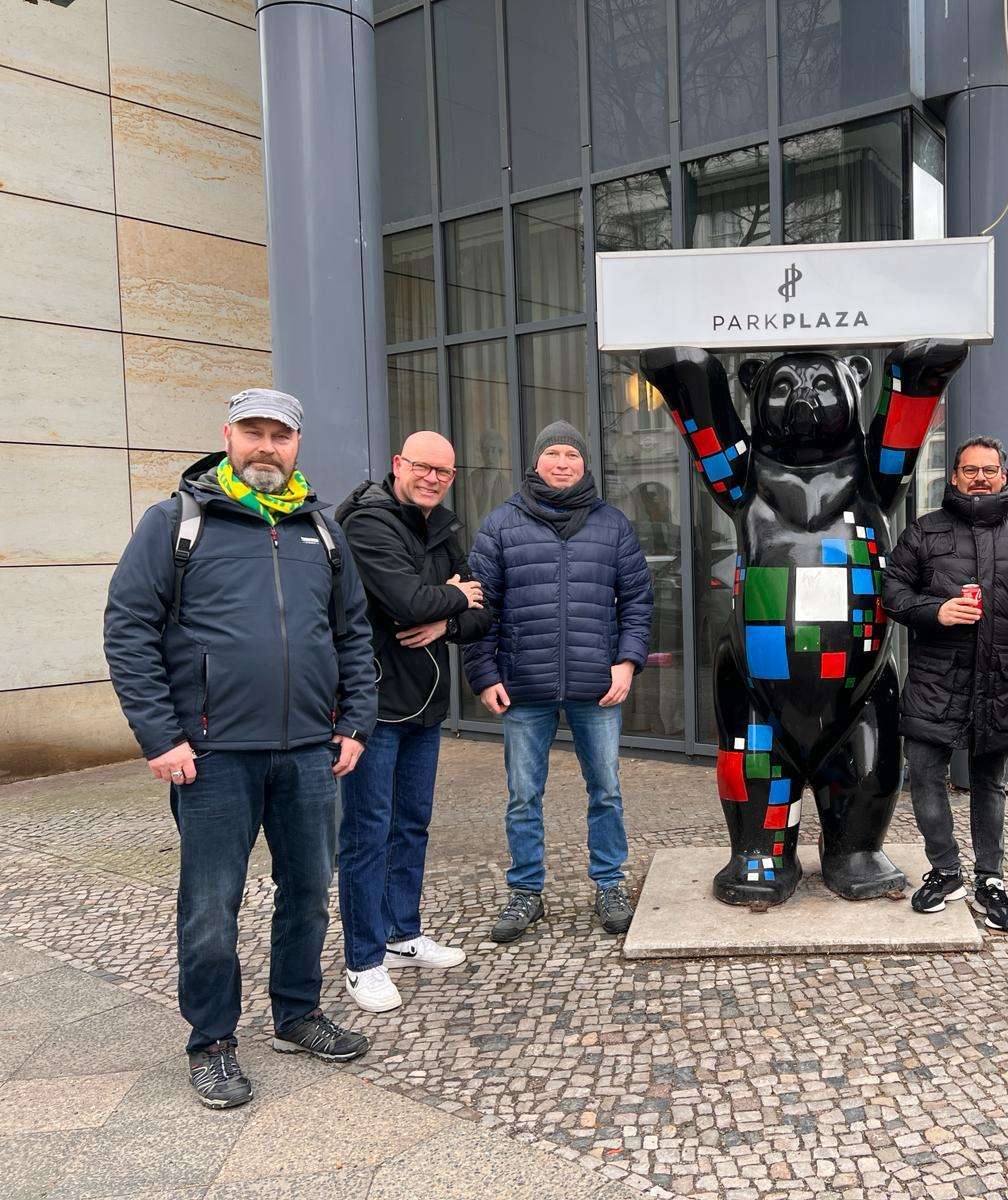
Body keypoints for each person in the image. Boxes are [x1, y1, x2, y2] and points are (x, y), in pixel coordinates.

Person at [103, 388, 377, 1110]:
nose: (266, 446)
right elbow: (128, 628)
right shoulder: (176, 522)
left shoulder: (321, 529)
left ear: (296, 445)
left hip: (309, 752)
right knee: (210, 905)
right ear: (228, 436)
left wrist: (355, 723)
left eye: (279, 435)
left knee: (309, 893)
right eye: (252, 432)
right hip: (212, 755)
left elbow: (352, 632)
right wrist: (161, 736)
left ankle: (296, 1014)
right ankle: (212, 1041)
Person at [464, 421, 653, 941]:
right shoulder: (501, 524)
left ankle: (609, 884)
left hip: (597, 686)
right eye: (553, 454)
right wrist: (484, 674)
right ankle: (526, 891)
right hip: (523, 686)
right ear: (536, 462)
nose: (563, 463)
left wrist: (627, 661)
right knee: (523, 795)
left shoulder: (612, 524)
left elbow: (638, 600)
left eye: (572, 454)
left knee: (606, 790)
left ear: (584, 464)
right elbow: (480, 607)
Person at [882, 436, 1008, 931]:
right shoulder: (924, 531)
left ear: (1004, 476)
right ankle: (946, 872)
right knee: (926, 775)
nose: (980, 478)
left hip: (1003, 680)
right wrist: (935, 610)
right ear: (954, 477)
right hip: (935, 680)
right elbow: (892, 592)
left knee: (989, 783)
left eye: (989, 470)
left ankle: (991, 878)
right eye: (970, 470)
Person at [333, 432, 492, 1013]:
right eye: (423, 467)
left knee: (412, 824)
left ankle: (402, 933)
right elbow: (404, 602)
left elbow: (482, 612)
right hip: (372, 706)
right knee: (366, 834)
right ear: (399, 464)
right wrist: (451, 597)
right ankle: (363, 960)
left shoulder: (441, 527)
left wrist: (447, 617)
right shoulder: (367, 523)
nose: (432, 479)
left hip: (425, 705)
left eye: (443, 472)